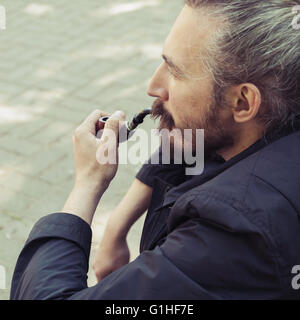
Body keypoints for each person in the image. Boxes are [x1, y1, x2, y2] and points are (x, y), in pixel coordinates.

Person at [10, 0, 300, 299]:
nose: (153, 85)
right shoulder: (268, 118)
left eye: (176, 72)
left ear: (242, 102)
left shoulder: (234, 231)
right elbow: (190, 136)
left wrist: (87, 184)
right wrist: (117, 226)